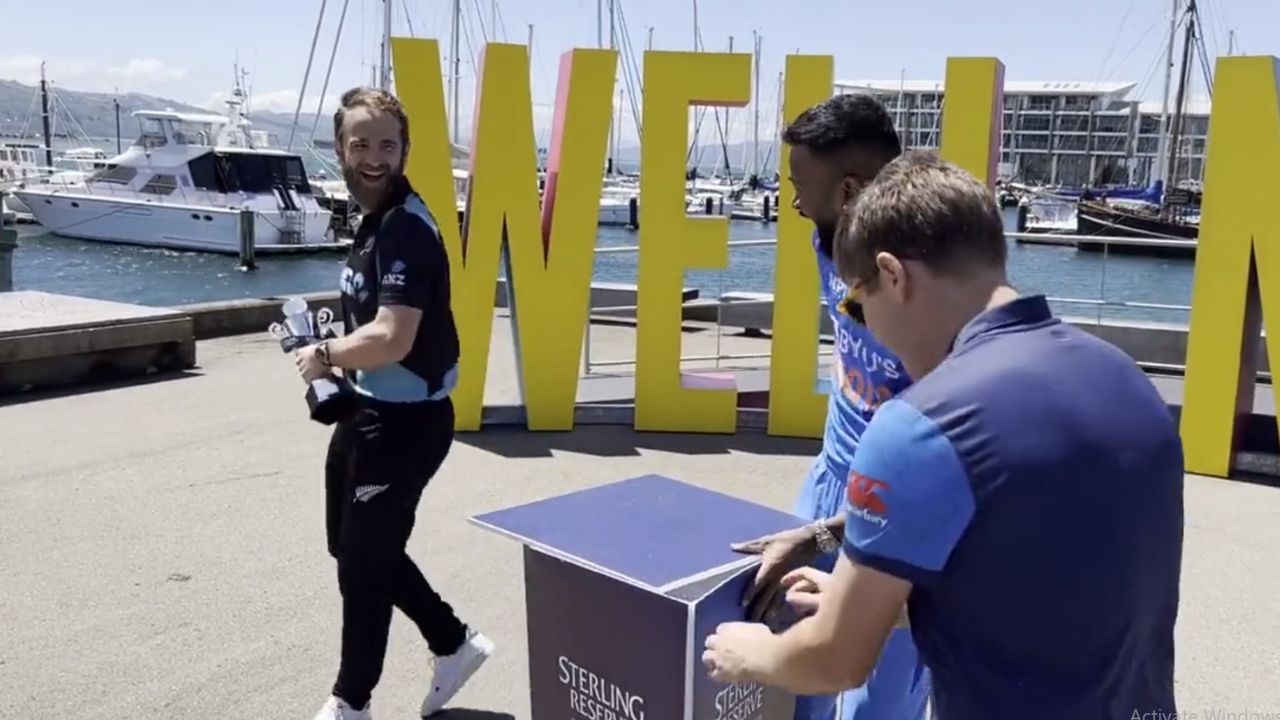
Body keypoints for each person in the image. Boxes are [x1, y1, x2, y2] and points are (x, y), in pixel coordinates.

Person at [703, 151, 1185, 720]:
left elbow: (835, 661)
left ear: (892, 275)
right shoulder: (1127, 380)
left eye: (855, 305)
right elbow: (1043, 573)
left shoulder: (920, 424)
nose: (862, 325)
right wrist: (854, 582)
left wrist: (749, 653)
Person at [295, 86, 493, 720]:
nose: (374, 157)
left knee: (364, 561)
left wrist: (325, 353)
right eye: (361, 143)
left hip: (407, 424)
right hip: (367, 408)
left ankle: (351, 702)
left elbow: (393, 337)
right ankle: (452, 642)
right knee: (352, 548)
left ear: (405, 151)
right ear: (340, 149)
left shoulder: (406, 227)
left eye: (387, 144)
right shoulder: (375, 219)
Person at [729, 94, 929, 720]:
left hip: (903, 506)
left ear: (849, 190)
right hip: (830, 475)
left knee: (877, 703)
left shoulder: (929, 291)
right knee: (794, 678)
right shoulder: (827, 241)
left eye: (799, 186)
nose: (790, 202)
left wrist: (824, 535)